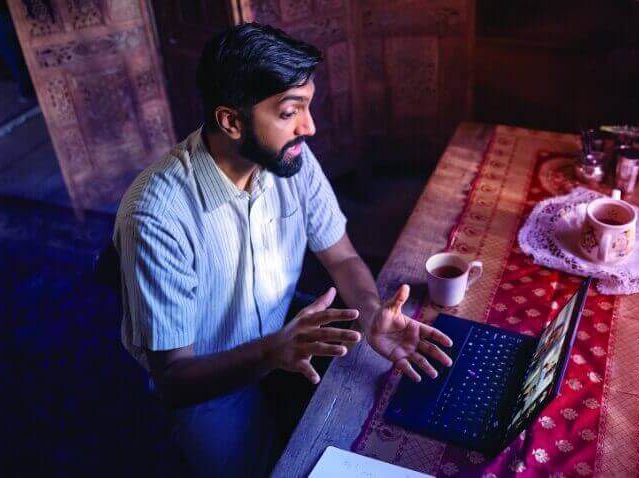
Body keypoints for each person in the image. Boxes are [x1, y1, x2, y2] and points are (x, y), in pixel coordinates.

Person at [114, 23, 453, 477]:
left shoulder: (289, 159)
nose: (309, 128)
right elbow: (173, 378)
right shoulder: (158, 216)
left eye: (307, 107)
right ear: (231, 121)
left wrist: (373, 314)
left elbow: (344, 258)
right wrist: (273, 352)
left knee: (382, 426)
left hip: (284, 332)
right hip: (208, 381)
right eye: (290, 112)